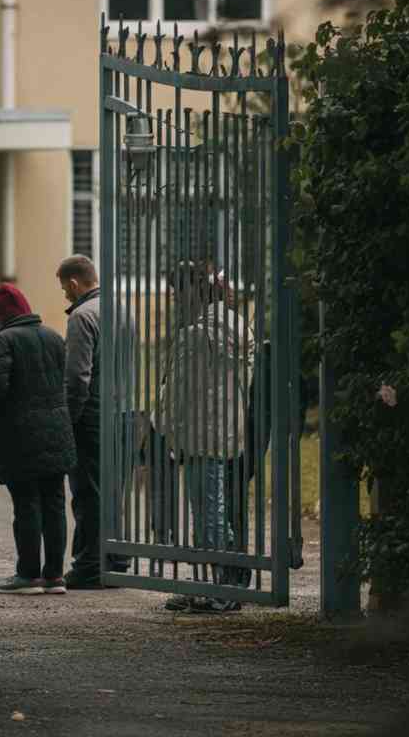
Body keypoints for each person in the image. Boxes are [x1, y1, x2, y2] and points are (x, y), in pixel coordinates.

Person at [157, 261, 253, 613]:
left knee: (209, 513)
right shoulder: (234, 325)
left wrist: (163, 428)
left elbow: (178, 390)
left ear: (194, 292)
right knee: (211, 510)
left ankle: (223, 590)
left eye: (177, 292)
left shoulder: (200, 334)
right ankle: (212, 585)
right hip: (223, 430)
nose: (174, 300)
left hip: (203, 433)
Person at [0, 284, 76, 595]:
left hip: (20, 435)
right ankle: (55, 575)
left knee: (26, 504)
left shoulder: (4, 341)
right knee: (55, 503)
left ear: (0, 317)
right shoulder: (53, 336)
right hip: (58, 430)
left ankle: (28, 574)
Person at [56, 255, 130, 590]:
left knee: (88, 492)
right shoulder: (123, 310)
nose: (65, 296)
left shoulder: (82, 317)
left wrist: (67, 421)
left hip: (91, 415)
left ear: (74, 283)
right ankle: (116, 557)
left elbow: (76, 378)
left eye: (64, 289)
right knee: (112, 488)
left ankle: (89, 565)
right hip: (122, 410)